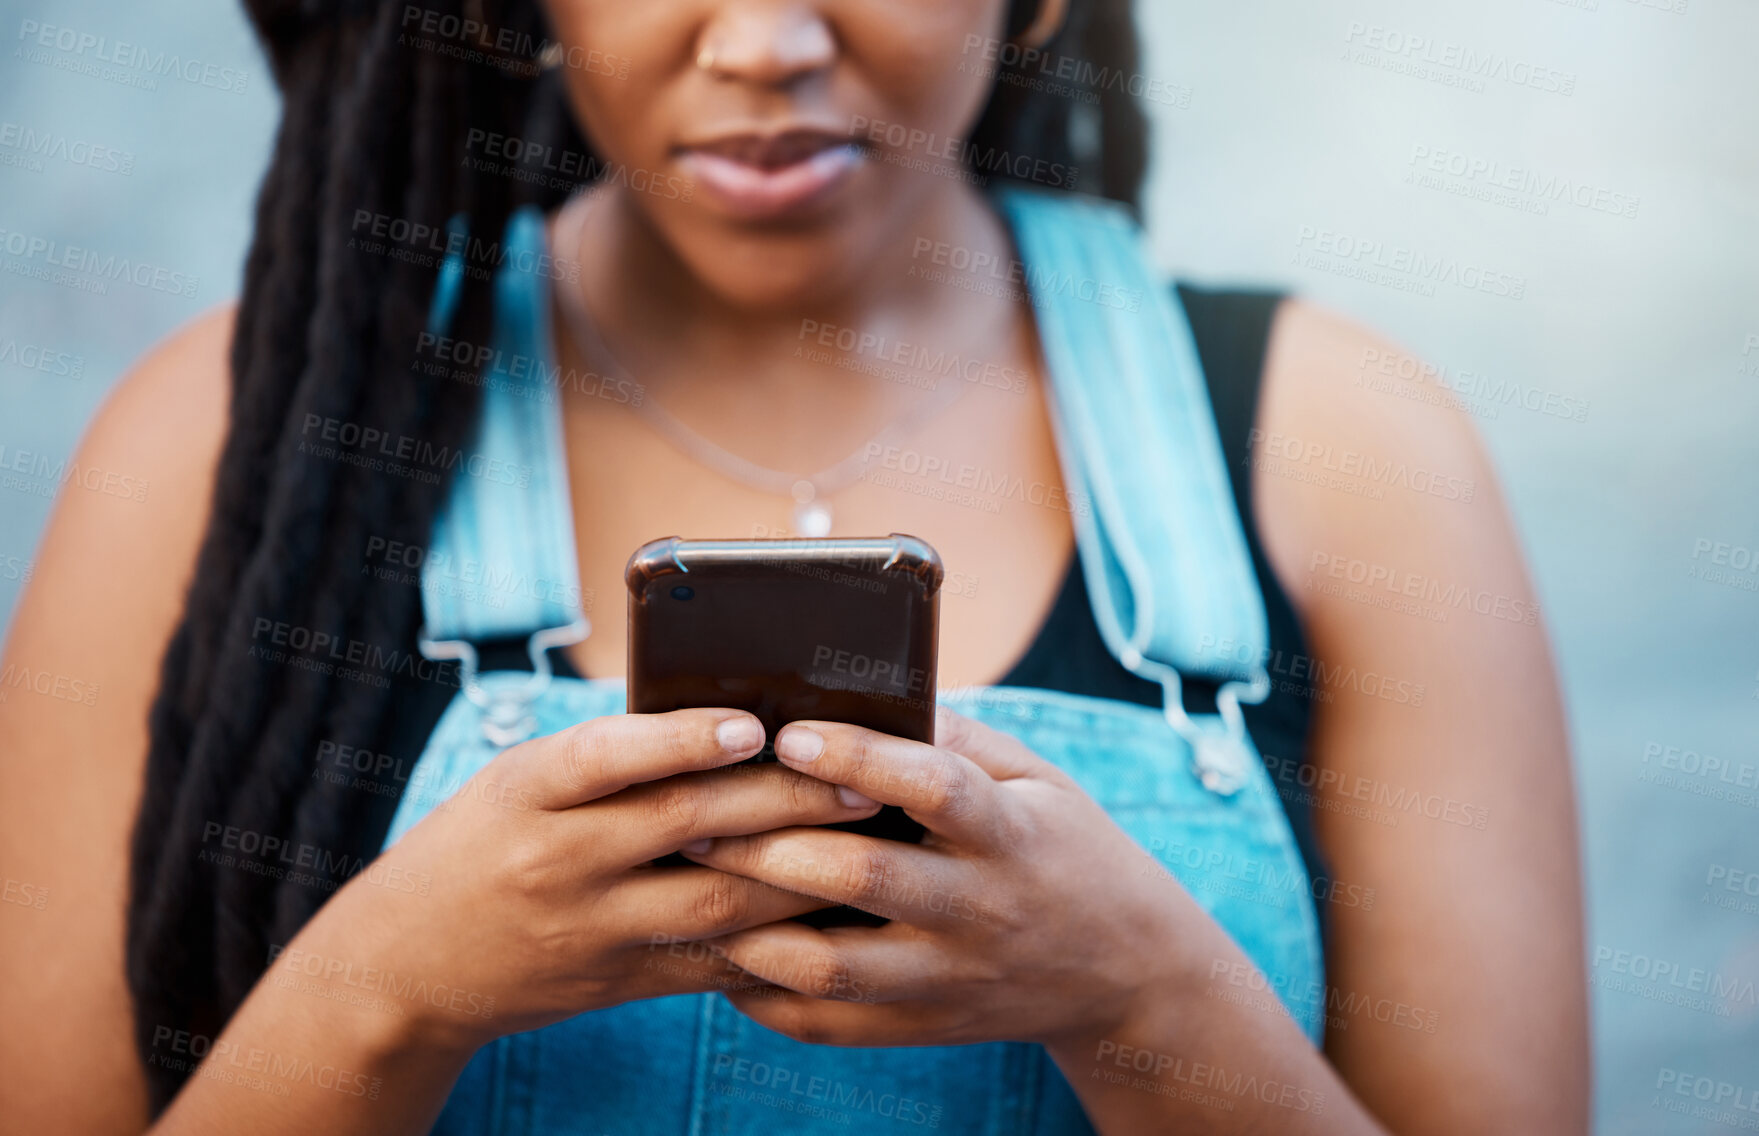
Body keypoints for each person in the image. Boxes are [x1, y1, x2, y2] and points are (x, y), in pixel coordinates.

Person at [0, 0, 1588, 1132]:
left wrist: (1144, 998)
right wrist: (391, 990)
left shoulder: (1347, 446)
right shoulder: (225, 438)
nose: (762, 42)